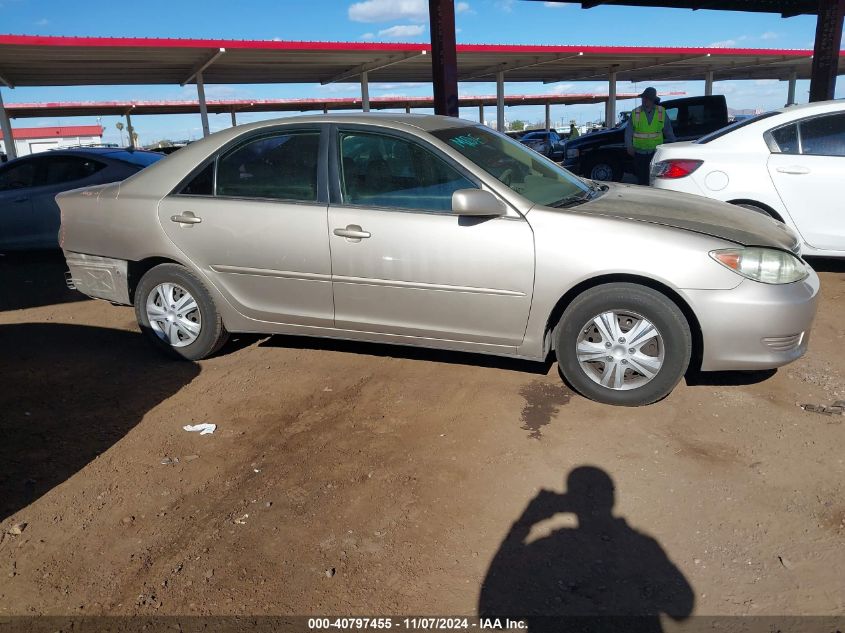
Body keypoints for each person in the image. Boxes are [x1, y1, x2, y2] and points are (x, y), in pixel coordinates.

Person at [479, 466, 694, 632]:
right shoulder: (640, 547)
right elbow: (682, 607)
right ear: (611, 498)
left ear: (571, 501)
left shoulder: (548, 549)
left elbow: (491, 616)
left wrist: (524, 523)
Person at [625, 87, 675, 186]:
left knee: (655, 180)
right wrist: (629, 146)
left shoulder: (661, 112)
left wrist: (674, 145)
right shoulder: (636, 112)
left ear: (652, 100)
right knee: (642, 180)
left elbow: (668, 130)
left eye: (647, 98)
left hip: (656, 153)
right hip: (639, 153)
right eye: (643, 98)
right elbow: (628, 131)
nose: (644, 100)